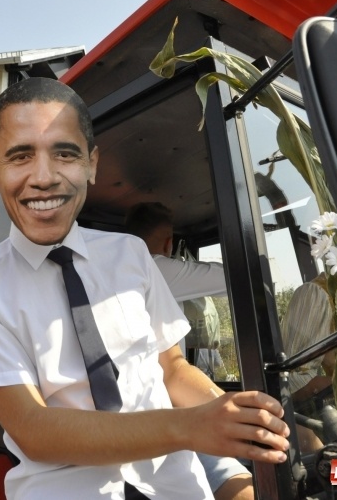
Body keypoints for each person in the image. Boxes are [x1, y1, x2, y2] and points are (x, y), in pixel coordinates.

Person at [0, 77, 290, 499]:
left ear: (91, 164)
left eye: (65, 154)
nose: (43, 177)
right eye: (21, 156)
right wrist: (190, 426)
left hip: (176, 486)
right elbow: (34, 429)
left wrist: (239, 416)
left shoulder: (130, 254)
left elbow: (170, 369)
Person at [125, 202, 252, 500]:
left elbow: (174, 369)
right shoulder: (154, 267)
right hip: (167, 422)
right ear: (169, 242)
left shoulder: (123, 277)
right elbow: (234, 276)